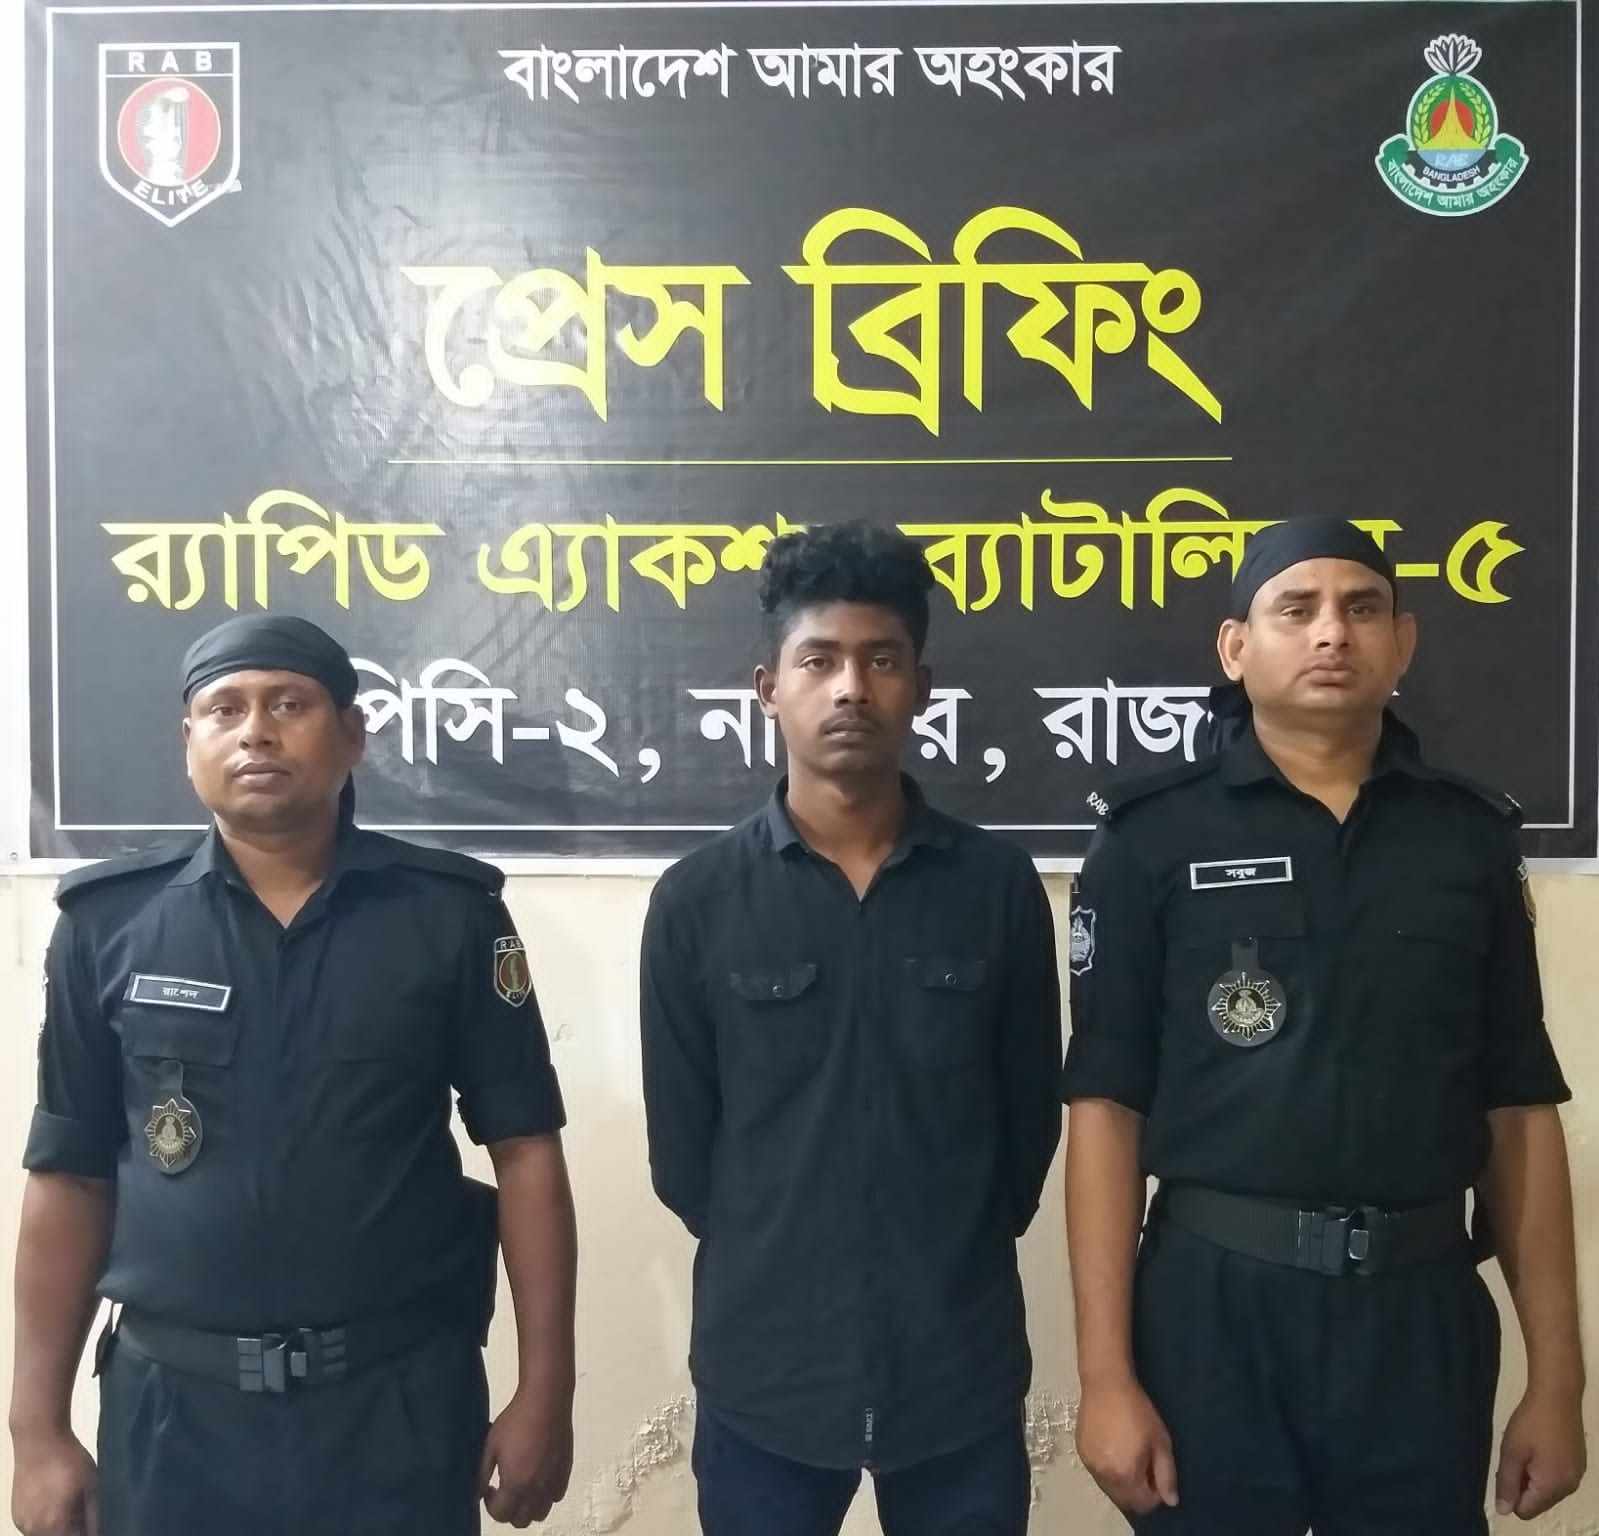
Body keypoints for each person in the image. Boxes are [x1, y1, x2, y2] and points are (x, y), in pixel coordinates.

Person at [1062, 515, 1585, 1533]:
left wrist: (1558, 1382)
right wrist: (1105, 1377)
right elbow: (1106, 1110)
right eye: (1295, 609)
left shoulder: (1467, 840)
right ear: (1235, 647)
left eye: (1362, 608)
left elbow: (1519, 1109)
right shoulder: (1150, 839)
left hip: (1417, 1310)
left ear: (1403, 641)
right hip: (1213, 1310)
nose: (1332, 632)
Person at [11, 614, 577, 1536]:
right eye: (224, 709)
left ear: (352, 735)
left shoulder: (450, 917)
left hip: (396, 1408)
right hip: (174, 1415)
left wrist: (545, 1392)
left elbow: (525, 1153)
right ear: (188, 741)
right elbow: (68, 1176)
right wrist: (35, 1431)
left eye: (288, 705)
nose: (256, 732)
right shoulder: (107, 924)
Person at [641, 520, 1062, 1536]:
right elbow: (685, 1163)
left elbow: (1026, 1133)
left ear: (921, 685)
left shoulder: (996, 889)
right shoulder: (697, 901)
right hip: (766, 1380)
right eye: (818, 660)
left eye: (881, 661)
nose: (850, 690)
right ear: (767, 687)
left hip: (956, 1371)